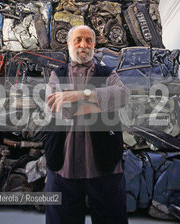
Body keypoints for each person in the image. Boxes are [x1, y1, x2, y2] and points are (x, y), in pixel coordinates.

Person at [45, 25, 130, 224]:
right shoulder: (56, 75)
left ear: (94, 45)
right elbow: (57, 109)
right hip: (63, 166)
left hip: (104, 165)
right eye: (78, 40)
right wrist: (102, 103)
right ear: (68, 44)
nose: (83, 45)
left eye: (88, 40)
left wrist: (79, 94)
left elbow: (124, 96)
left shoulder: (108, 73)